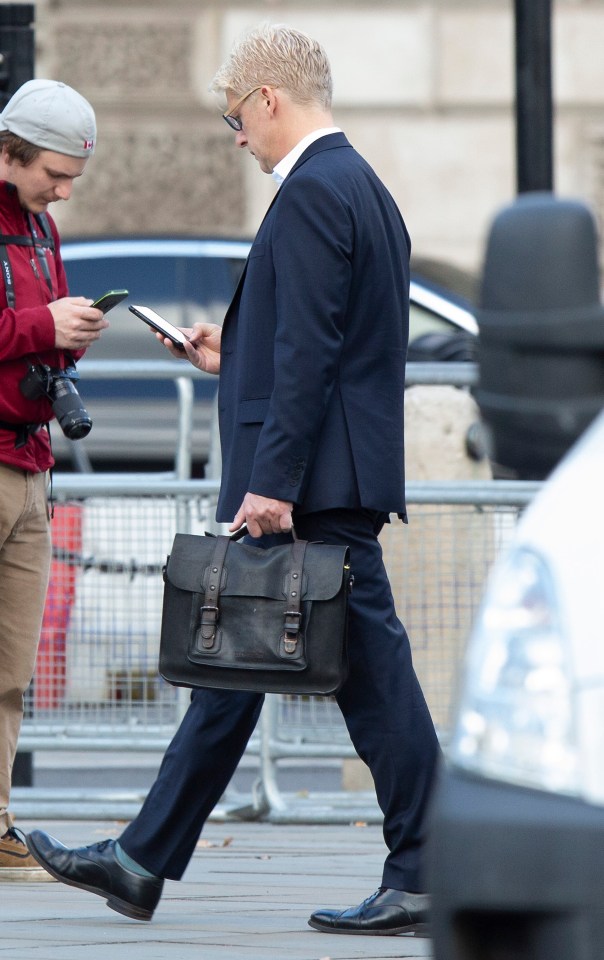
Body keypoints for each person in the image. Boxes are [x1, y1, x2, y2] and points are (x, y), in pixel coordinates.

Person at [26, 24, 441, 933]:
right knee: (234, 672)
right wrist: (232, 352)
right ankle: (141, 860)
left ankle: (427, 869)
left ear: (267, 101)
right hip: (332, 475)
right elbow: (321, 343)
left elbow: (314, 353)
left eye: (234, 122)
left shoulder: (313, 193)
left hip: (314, 489)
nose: (238, 140)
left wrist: (274, 478)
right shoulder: (363, 189)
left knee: (373, 685)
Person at [0, 79, 108, 881]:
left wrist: (72, 334)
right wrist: (43, 324)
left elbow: (35, 337)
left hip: (31, 463)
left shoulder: (41, 229)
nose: (63, 192)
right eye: (52, 174)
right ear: (9, 151)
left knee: (10, 670)